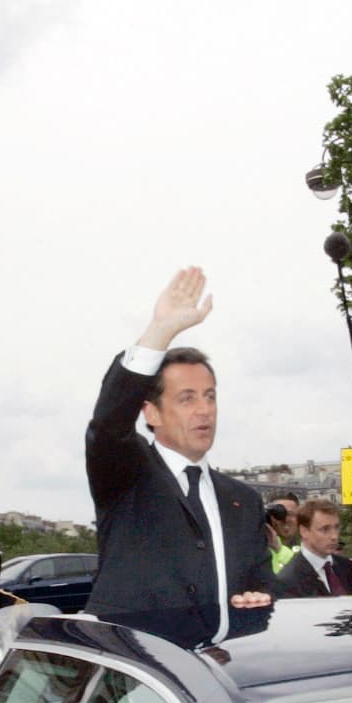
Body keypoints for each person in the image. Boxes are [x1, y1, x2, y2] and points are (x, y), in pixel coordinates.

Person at [84, 268, 274, 648]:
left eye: (210, 396)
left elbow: (262, 589)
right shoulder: (127, 473)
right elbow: (108, 422)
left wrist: (259, 600)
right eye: (187, 398)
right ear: (150, 413)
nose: (204, 410)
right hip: (138, 678)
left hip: (221, 677)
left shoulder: (244, 501)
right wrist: (160, 331)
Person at [274, 499, 352, 598]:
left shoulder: (348, 567)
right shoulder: (288, 580)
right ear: (304, 531)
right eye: (325, 529)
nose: (334, 536)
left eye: (336, 527)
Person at [265, 492, 302, 575]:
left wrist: (279, 549)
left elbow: (304, 574)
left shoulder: (309, 548)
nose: (285, 519)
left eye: (290, 514)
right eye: (279, 514)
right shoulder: (259, 551)